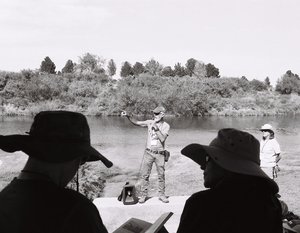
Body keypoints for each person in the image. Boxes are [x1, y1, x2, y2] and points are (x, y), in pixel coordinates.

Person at [0, 111, 113, 233]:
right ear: (75, 156)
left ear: (32, 150)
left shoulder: (4, 198)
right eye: (83, 160)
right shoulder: (75, 209)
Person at [177, 128, 283, 233]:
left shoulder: (200, 205)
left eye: (208, 159)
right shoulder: (271, 204)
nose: (202, 167)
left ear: (224, 164)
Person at [121, 106, 170, 204]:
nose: (154, 115)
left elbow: (163, 139)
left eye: (157, 114)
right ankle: (143, 195)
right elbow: (137, 123)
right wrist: (128, 116)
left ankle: (161, 195)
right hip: (148, 153)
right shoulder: (149, 122)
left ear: (162, 114)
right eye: (154, 113)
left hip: (160, 154)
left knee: (161, 175)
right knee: (145, 175)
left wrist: (156, 128)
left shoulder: (166, 126)